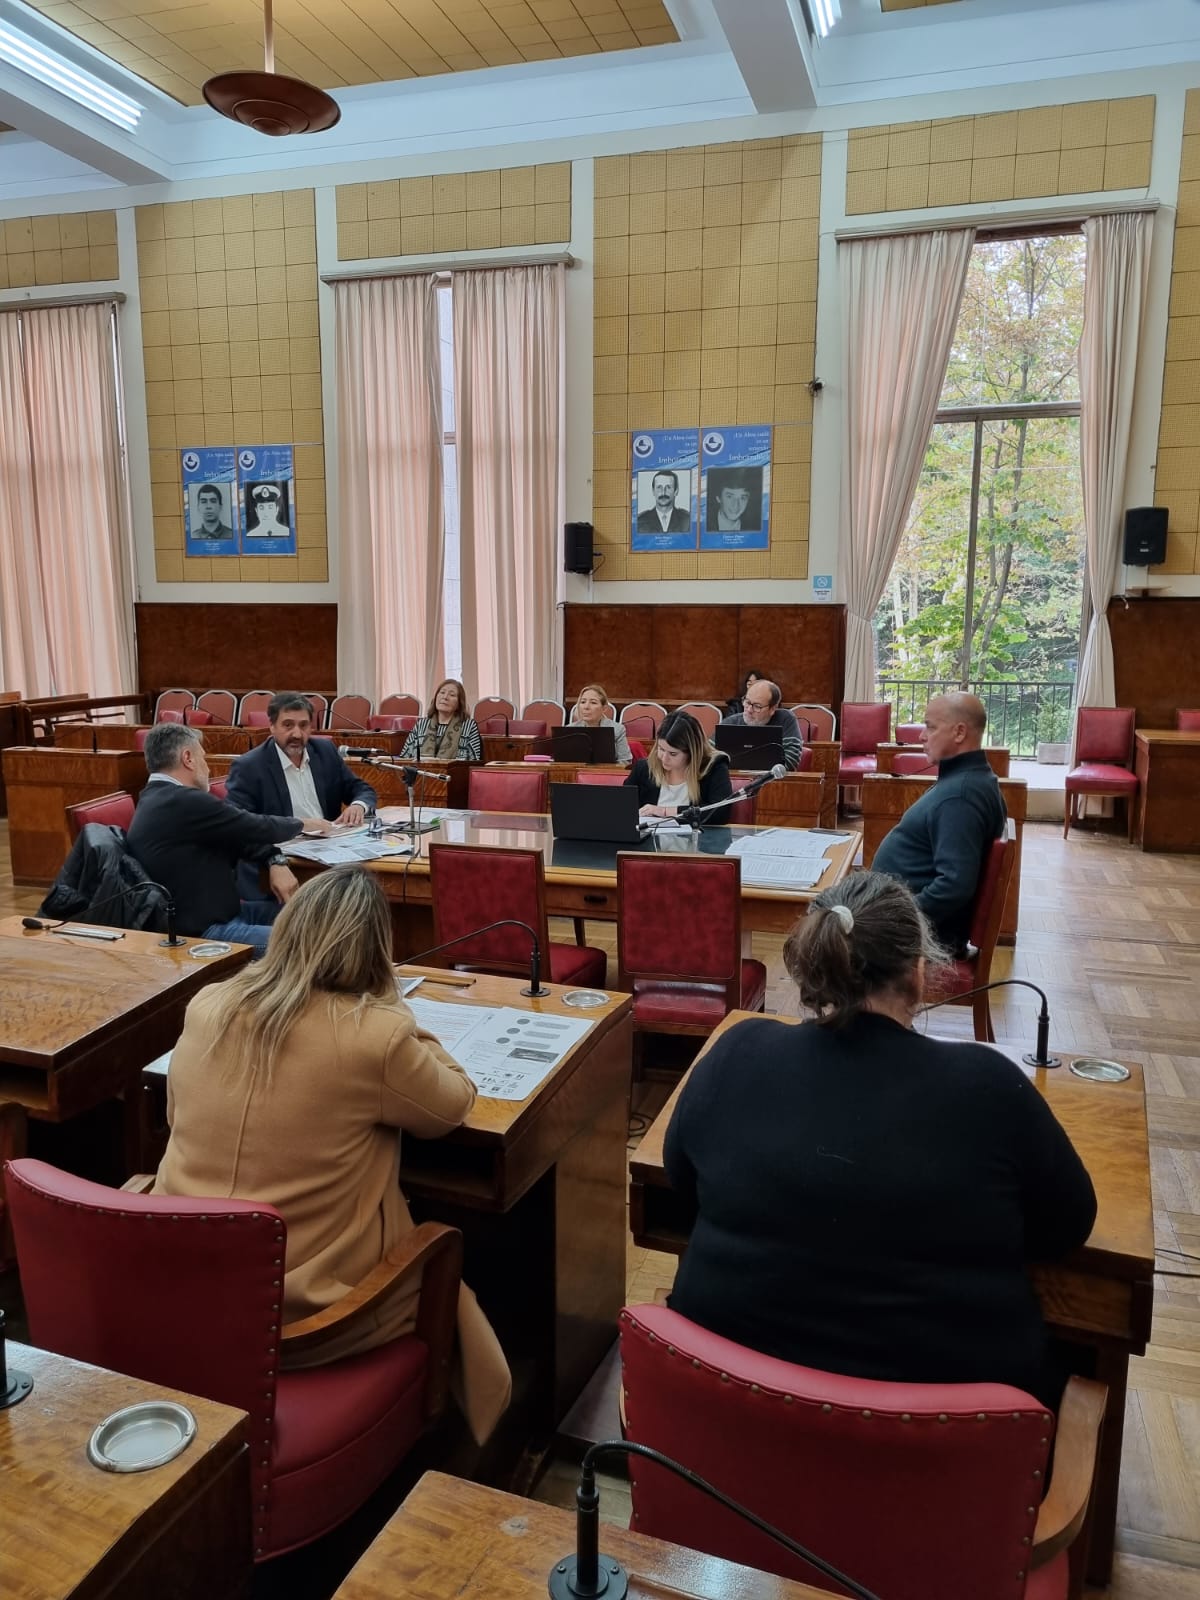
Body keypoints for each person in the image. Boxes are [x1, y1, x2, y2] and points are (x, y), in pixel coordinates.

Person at [664, 871, 1096, 1405]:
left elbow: (679, 1180)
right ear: (918, 973)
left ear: (814, 966)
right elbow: (1068, 1226)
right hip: (945, 1448)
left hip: (717, 1424)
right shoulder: (989, 1087)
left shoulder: (736, 1051)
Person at [152, 867, 511, 1444]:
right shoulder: (376, 1036)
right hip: (305, 1319)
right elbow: (454, 1104)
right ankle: (467, 1445)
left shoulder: (209, 1003)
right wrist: (396, 1011)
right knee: (452, 1260)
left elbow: (175, 1117)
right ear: (375, 951)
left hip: (180, 1286)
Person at [127, 722, 323, 955]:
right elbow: (254, 825)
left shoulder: (157, 798)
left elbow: (240, 838)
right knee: (317, 942)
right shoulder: (182, 801)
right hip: (205, 934)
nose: (208, 768)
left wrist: (275, 860)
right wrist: (303, 824)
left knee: (320, 916)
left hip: (230, 915)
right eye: (203, 758)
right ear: (188, 758)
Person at [872, 692, 1007, 955]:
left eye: (931, 727)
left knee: (821, 940)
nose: (922, 736)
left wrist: (891, 919)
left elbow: (954, 886)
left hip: (914, 941)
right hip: (908, 926)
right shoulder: (969, 780)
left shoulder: (960, 796)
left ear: (959, 732)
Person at [226, 692, 377, 902]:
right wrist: (274, 858)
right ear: (272, 726)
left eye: (303, 725)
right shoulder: (249, 766)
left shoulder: (324, 751)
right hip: (277, 865)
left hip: (327, 856)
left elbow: (360, 788)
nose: (296, 733)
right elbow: (239, 828)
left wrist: (359, 805)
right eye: (288, 725)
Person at [624, 710, 733, 822]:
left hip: (696, 833)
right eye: (661, 749)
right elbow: (622, 804)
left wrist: (665, 812)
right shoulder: (644, 768)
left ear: (692, 752)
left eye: (673, 754)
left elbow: (720, 813)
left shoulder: (714, 767)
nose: (664, 758)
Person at [719, 678, 803, 770]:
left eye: (757, 706)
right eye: (747, 702)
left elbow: (791, 760)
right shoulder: (730, 722)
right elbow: (709, 755)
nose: (749, 710)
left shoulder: (785, 719)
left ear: (772, 709)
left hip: (773, 778)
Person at [401, 680, 482, 762]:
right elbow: (404, 757)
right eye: (442, 692)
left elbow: (474, 761)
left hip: (455, 770)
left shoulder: (469, 726)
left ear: (459, 703)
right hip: (420, 769)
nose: (445, 697)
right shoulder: (421, 724)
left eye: (452, 695)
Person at [568, 683, 631, 764]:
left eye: (593, 703)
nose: (586, 707)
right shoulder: (570, 729)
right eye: (583, 702)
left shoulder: (617, 729)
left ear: (604, 708)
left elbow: (625, 761)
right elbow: (562, 761)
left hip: (607, 771)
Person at [636, 469, 691, 536]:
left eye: (668, 487)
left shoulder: (687, 520)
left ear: (676, 491)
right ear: (653, 491)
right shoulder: (641, 521)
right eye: (659, 487)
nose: (663, 492)